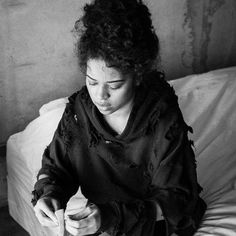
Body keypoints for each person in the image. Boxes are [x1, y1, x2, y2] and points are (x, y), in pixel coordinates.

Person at [32, 0, 206, 235]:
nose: (100, 95)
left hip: (151, 222)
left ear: (137, 76)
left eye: (114, 85)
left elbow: (176, 201)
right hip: (102, 218)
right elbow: (57, 167)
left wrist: (110, 217)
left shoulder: (161, 116)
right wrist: (49, 195)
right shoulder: (79, 111)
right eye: (92, 81)